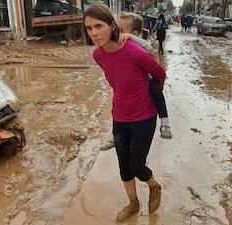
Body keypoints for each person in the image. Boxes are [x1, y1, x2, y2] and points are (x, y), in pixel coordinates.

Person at [83, 3, 163, 222]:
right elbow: (115, 80)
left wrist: (151, 98)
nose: (94, 33)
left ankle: (154, 186)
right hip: (120, 117)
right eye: (89, 28)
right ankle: (133, 203)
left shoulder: (136, 52)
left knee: (136, 166)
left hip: (144, 117)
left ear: (111, 25)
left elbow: (160, 75)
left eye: (98, 26)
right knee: (123, 167)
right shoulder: (98, 55)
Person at [99, 12, 172, 150]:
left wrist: (130, 37)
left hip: (146, 78)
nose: (117, 33)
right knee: (117, 98)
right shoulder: (113, 46)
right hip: (126, 84)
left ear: (135, 33)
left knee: (156, 91)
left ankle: (165, 123)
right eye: (115, 29)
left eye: (121, 30)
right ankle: (114, 134)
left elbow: (149, 48)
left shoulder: (137, 44)